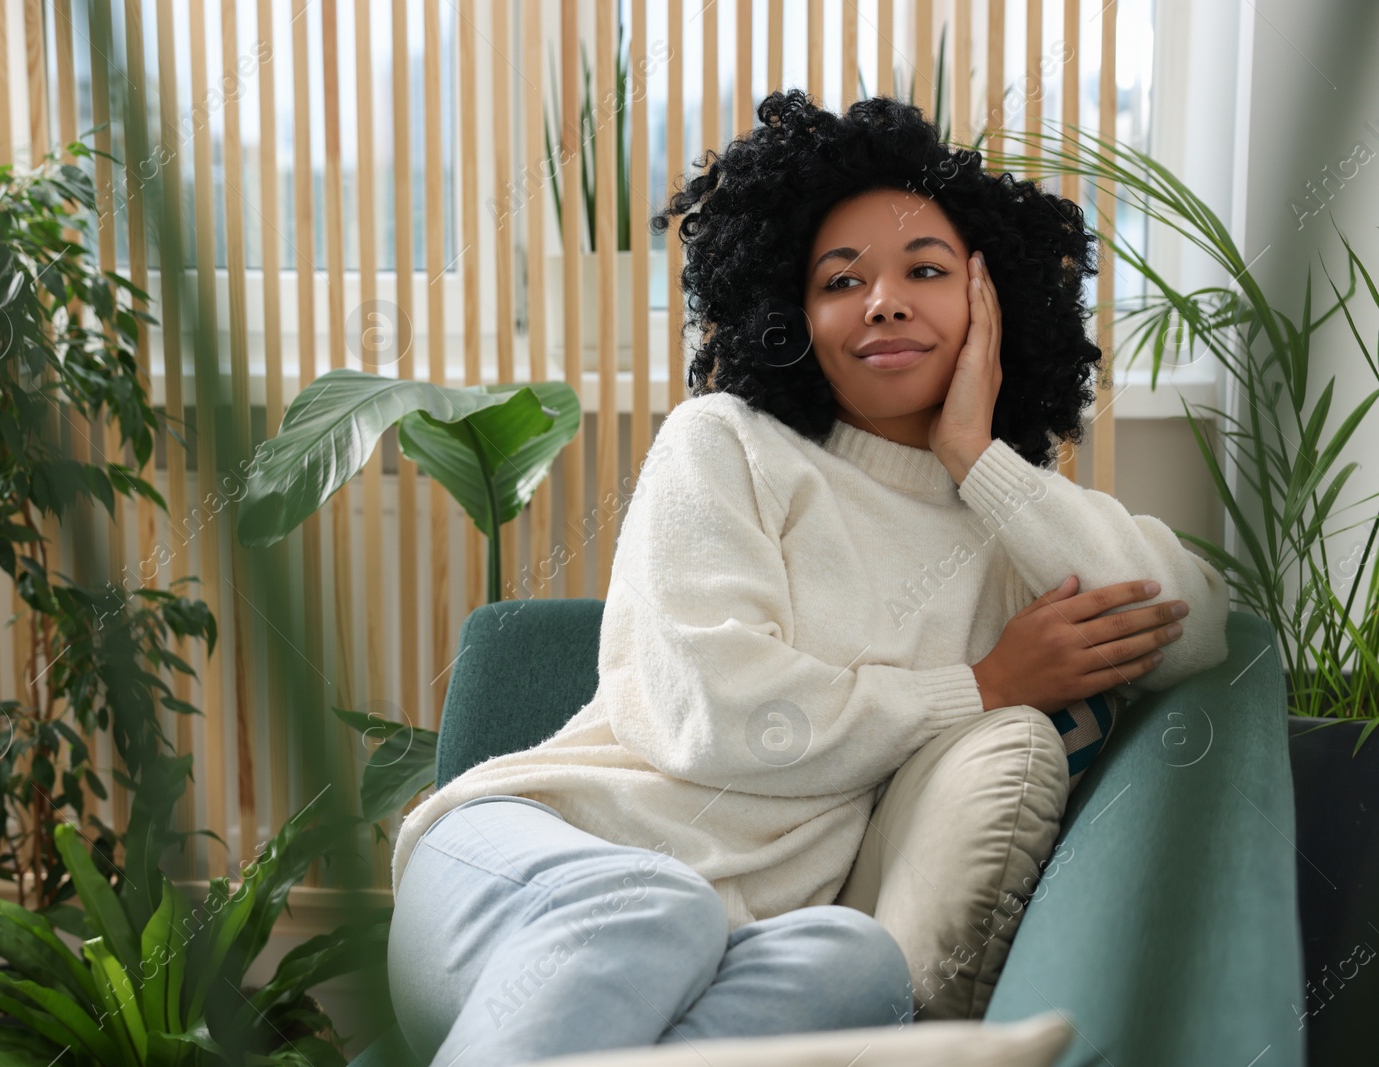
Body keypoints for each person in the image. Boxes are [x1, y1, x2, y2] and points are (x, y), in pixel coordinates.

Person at [385, 91, 1231, 1067]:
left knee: (856, 959)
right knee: (653, 906)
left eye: (925, 270)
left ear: (990, 304)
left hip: (733, 945)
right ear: (795, 311)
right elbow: (713, 708)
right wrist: (985, 687)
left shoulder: (1012, 526)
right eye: (841, 280)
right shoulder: (727, 445)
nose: (882, 300)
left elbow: (1197, 622)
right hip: (525, 870)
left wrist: (979, 458)